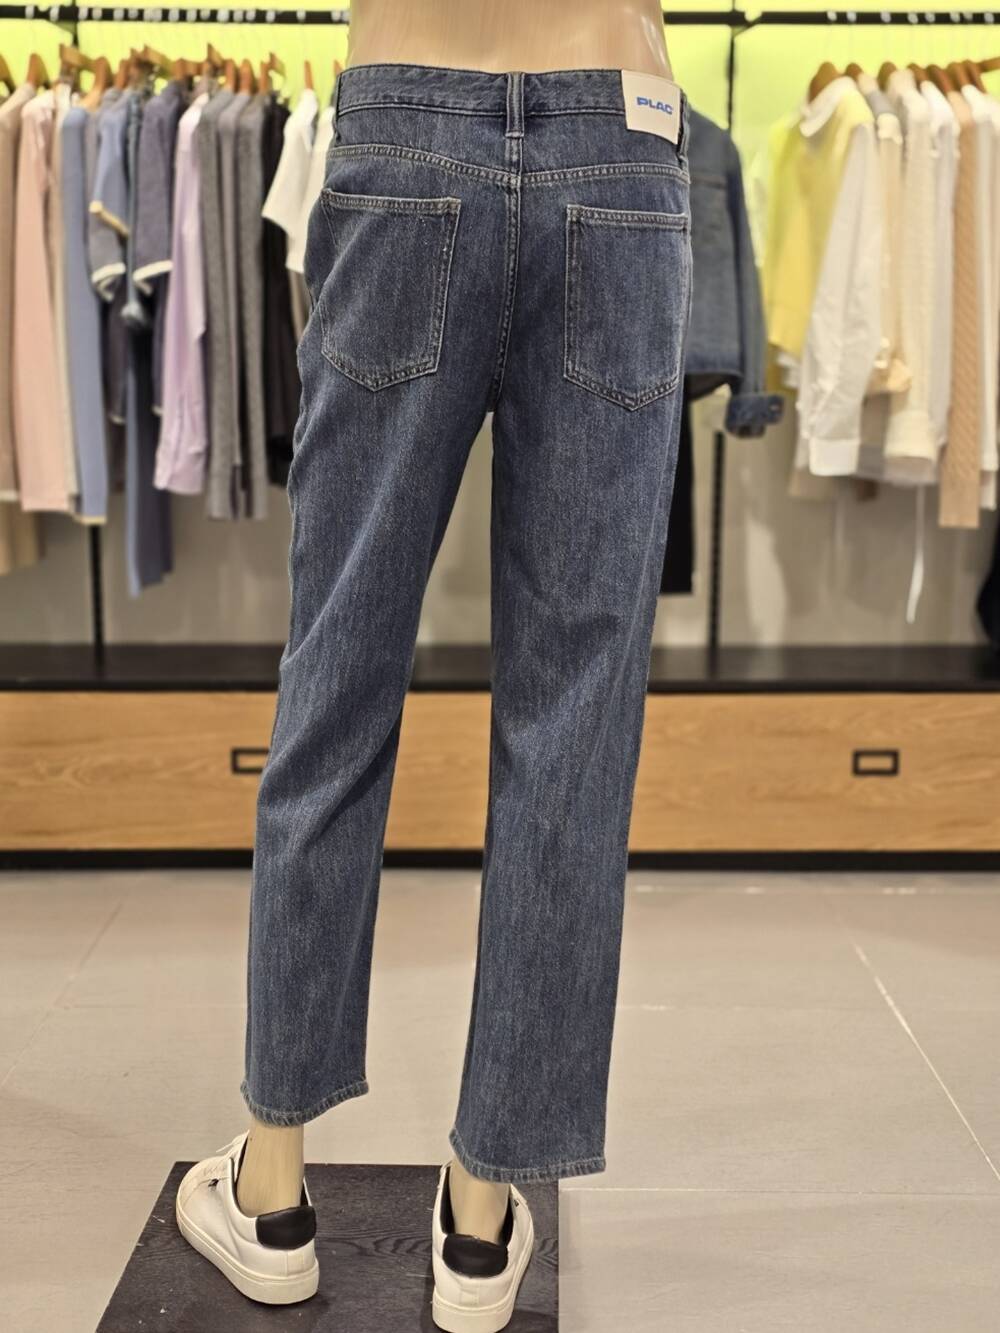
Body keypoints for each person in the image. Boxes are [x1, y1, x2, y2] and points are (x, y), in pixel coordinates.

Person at [174, 3, 692, 1328]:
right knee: (573, 723)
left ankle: (270, 1190)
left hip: (408, 124)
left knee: (336, 683)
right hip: (618, 138)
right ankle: (480, 1217)